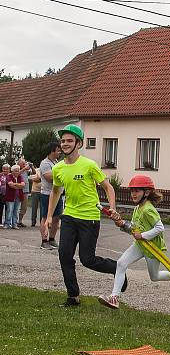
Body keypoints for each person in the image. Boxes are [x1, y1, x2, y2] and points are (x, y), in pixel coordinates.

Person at [45, 124, 121, 307]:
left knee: (87, 260)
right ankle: (73, 296)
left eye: (69, 141)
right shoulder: (59, 168)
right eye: (63, 141)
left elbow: (108, 187)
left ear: (78, 143)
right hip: (69, 216)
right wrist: (49, 216)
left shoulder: (89, 165)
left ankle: (117, 269)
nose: (65, 144)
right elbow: (56, 192)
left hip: (89, 218)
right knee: (64, 255)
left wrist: (112, 207)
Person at [98, 175, 170, 310]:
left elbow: (160, 228)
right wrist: (121, 224)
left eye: (137, 191)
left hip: (153, 248)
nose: (133, 194)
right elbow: (134, 229)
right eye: (132, 191)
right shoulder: (137, 208)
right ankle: (114, 298)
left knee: (154, 276)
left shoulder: (148, 209)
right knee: (120, 264)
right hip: (140, 245)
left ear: (146, 193)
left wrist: (143, 235)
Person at [39, 142, 63, 249]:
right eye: (58, 150)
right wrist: (62, 174)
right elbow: (49, 177)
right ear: (52, 151)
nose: (60, 152)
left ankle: (52, 239)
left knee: (56, 218)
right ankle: (44, 241)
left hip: (58, 194)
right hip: (47, 194)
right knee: (45, 217)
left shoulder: (56, 163)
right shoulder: (45, 163)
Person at [4, 164, 25, 229]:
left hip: (18, 197)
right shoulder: (9, 176)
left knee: (16, 211)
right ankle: (7, 224)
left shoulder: (20, 176)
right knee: (9, 210)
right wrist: (18, 185)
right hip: (10, 196)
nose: (17, 172)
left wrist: (15, 185)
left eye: (18, 171)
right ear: (12, 171)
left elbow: (23, 185)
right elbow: (10, 184)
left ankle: (14, 224)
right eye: (16, 171)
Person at [17, 158, 32, 227]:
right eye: (22, 163)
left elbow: (34, 173)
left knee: (24, 207)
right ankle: (14, 221)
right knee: (15, 207)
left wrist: (31, 166)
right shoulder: (16, 168)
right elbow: (16, 174)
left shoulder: (26, 170)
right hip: (17, 190)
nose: (24, 164)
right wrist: (24, 168)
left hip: (25, 191)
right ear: (19, 163)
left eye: (24, 163)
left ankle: (20, 221)